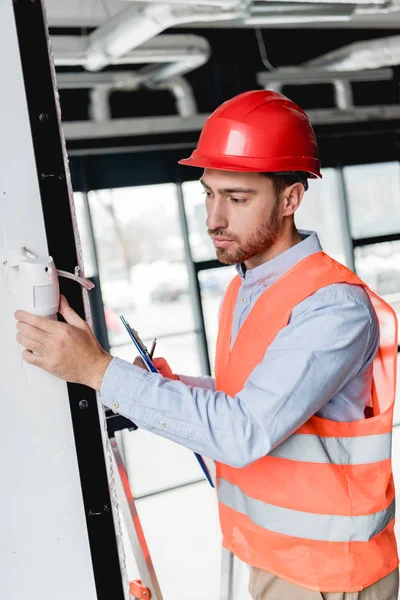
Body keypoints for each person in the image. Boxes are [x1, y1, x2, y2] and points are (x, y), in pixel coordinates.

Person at [15, 90, 399, 600]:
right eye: (208, 193)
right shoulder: (248, 285)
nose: (214, 219)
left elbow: (244, 430)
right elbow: (263, 397)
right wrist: (166, 386)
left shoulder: (331, 308)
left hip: (332, 576)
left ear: (290, 198)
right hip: (274, 559)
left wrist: (100, 372)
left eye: (236, 198)